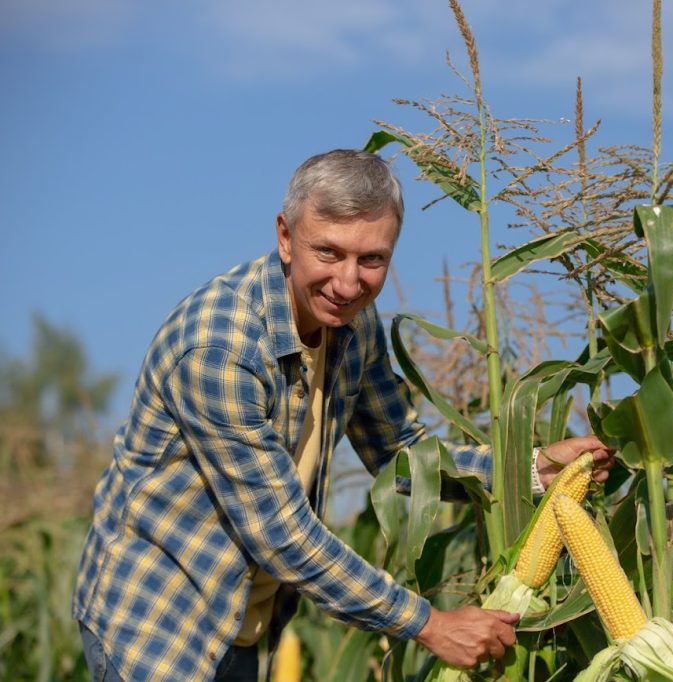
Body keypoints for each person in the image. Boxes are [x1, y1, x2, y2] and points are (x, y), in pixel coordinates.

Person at [73, 149, 615, 681]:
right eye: (328, 253)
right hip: (158, 625)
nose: (350, 283)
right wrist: (428, 624)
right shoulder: (220, 349)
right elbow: (280, 533)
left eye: (372, 259)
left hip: (247, 625)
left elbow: (402, 452)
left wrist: (530, 469)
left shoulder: (353, 322)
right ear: (286, 238)